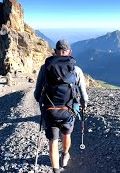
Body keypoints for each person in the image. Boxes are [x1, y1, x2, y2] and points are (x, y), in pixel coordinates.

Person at [34, 39, 88, 173]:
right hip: (68, 111)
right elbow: (83, 95)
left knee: (52, 140)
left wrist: (42, 102)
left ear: (55, 51)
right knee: (66, 135)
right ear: (69, 52)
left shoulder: (45, 68)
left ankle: (56, 169)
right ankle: (65, 155)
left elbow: (37, 93)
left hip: (50, 111)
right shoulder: (76, 70)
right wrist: (84, 105)